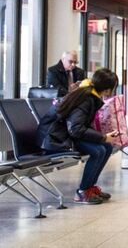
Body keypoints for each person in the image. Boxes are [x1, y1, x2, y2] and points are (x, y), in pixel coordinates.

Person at [37, 68, 119, 205]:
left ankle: (90, 187)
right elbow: (75, 129)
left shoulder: (89, 94)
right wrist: (103, 137)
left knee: (107, 147)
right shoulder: (86, 99)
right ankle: (82, 192)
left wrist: (103, 138)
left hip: (63, 134)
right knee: (99, 150)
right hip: (54, 138)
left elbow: (79, 126)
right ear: (107, 90)